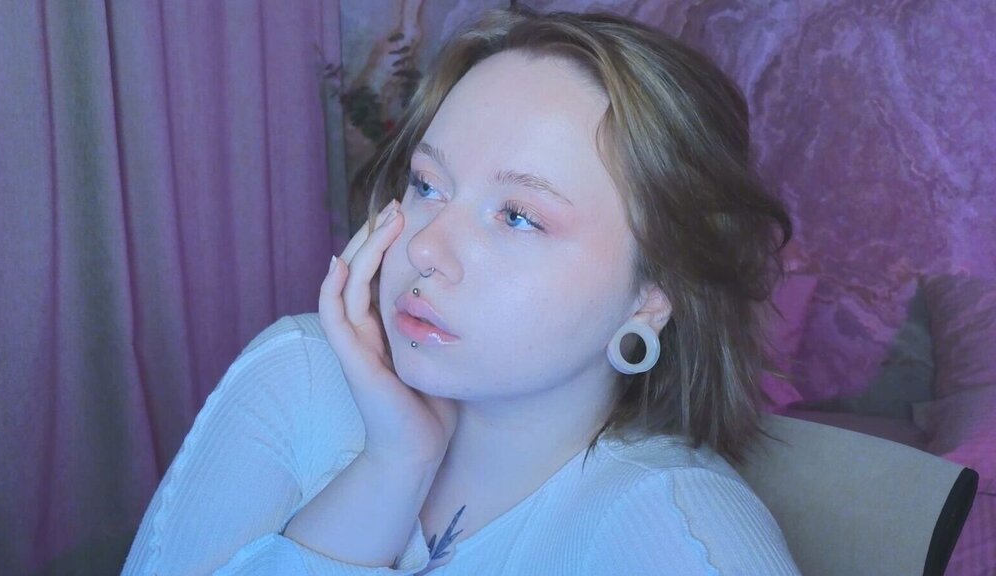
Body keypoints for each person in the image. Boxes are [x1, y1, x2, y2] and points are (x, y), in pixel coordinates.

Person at [122, 6, 801, 575]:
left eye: (518, 216)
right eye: (426, 185)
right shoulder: (302, 374)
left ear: (653, 293)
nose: (424, 247)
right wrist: (394, 464)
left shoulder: (681, 533)